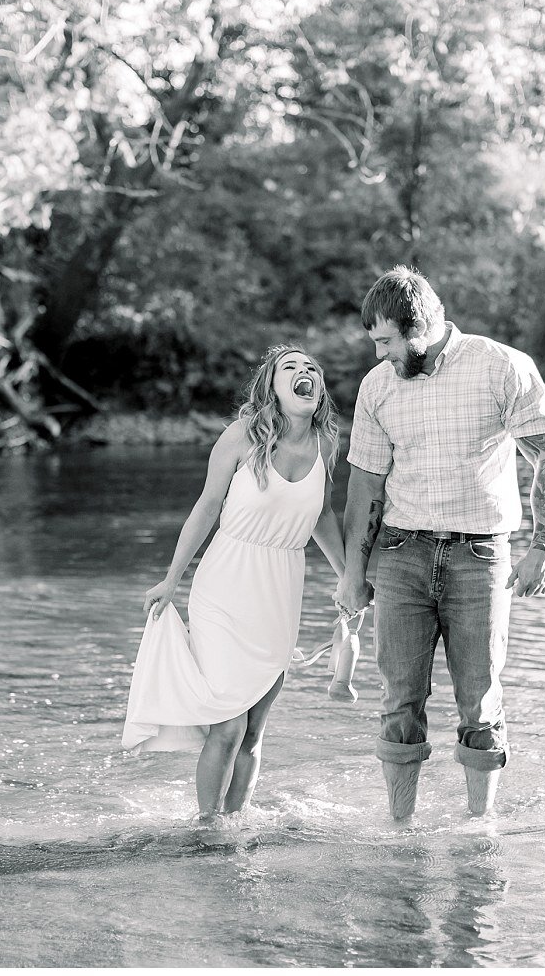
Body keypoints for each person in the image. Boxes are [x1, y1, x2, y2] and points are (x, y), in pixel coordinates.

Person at [333, 266, 545, 821]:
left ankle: (478, 828)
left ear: (420, 327)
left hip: (480, 557)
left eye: (387, 341)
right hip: (400, 555)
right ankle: (400, 827)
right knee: (398, 703)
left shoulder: (501, 366)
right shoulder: (378, 387)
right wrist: (352, 571)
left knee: (480, 704)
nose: (380, 354)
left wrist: (542, 545)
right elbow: (365, 484)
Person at [123, 345, 348, 822]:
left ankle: (236, 823)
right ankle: (208, 828)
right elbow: (206, 507)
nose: (304, 371)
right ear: (271, 386)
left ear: (319, 389)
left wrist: (349, 577)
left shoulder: (327, 445)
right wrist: (171, 580)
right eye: (290, 367)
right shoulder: (243, 435)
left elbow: (323, 515)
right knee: (228, 724)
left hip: (280, 592)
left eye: (312, 368)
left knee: (253, 732)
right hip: (225, 585)